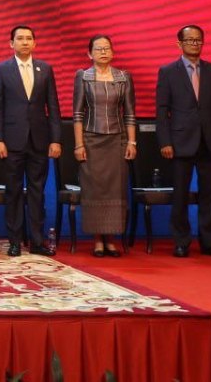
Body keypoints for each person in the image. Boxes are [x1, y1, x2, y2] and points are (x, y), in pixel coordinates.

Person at [156, 24, 211, 258]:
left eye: (198, 40)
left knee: (210, 195)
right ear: (179, 44)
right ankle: (181, 242)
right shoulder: (168, 71)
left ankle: (209, 243)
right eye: (189, 40)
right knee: (180, 195)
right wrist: (165, 142)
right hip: (180, 142)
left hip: (210, 141)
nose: (194, 44)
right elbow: (162, 110)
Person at [0, 25, 62, 256]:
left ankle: (38, 241)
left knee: (37, 192)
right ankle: (14, 242)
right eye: (20, 38)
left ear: (35, 43)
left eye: (29, 38)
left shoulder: (45, 69)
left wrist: (56, 139)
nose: (25, 42)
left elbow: (53, 106)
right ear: (11, 43)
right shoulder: (2, 69)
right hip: (11, 141)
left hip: (39, 140)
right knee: (13, 192)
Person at [71, 34, 137, 257]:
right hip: (91, 140)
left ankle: (111, 238)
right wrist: (78, 145)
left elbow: (129, 113)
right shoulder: (83, 76)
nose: (103, 52)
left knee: (116, 188)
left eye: (107, 48)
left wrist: (132, 141)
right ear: (89, 53)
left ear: (113, 52)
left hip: (117, 140)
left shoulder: (123, 77)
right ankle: (98, 239)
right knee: (95, 189)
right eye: (98, 49)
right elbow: (78, 113)